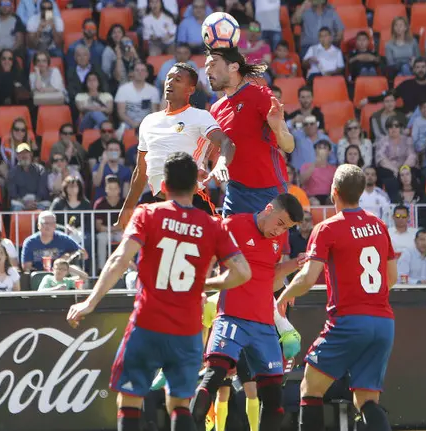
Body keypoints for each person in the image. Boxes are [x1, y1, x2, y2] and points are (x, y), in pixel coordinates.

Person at [65, 152, 252, 431]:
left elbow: (119, 259)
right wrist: (207, 284)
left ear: (163, 185)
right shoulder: (213, 226)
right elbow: (243, 272)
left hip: (147, 324)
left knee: (129, 402)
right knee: (179, 405)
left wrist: (91, 301)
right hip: (187, 331)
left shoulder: (148, 214)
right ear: (196, 187)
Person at [276, 164, 398, 431]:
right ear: (361, 193)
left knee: (310, 388)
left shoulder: (327, 228)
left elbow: (308, 278)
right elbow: (391, 279)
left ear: (334, 193)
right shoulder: (378, 225)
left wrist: (282, 296)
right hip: (384, 322)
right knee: (366, 400)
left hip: (350, 321)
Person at [189, 193, 305, 431]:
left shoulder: (277, 240)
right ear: (269, 208)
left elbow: (268, 277)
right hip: (231, 316)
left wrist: (294, 265)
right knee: (212, 378)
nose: (280, 231)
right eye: (280, 223)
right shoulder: (233, 225)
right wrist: (199, 288)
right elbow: (207, 257)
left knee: (274, 400)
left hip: (263, 325)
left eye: (288, 228)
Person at [117, 62, 235, 227]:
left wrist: (222, 163)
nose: (170, 82)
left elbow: (226, 142)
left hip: (191, 202)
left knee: (212, 251)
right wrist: (128, 207)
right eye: (168, 78)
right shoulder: (149, 121)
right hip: (157, 202)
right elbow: (140, 171)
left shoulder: (200, 116)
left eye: (177, 79)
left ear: (191, 90)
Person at [205, 47, 295, 216]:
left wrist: (277, 129)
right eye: (206, 66)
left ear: (233, 67)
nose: (207, 70)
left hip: (268, 192)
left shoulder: (261, 95)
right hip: (235, 192)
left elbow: (289, 146)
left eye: (213, 64)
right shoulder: (215, 109)